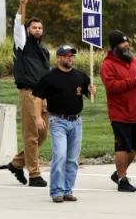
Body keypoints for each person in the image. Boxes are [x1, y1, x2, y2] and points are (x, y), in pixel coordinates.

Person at [36, 45, 96, 203]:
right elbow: (38, 98)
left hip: (76, 121)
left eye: (72, 55)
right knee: (60, 155)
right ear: (59, 58)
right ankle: (56, 190)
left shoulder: (81, 76)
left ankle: (68, 190)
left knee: (72, 159)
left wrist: (92, 91)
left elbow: (89, 96)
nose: (70, 58)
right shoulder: (49, 77)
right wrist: (38, 117)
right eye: (67, 55)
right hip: (58, 120)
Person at [7, 0, 50, 187]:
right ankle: (34, 174)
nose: (37, 30)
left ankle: (17, 163)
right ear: (27, 30)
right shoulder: (22, 45)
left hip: (44, 97)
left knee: (43, 135)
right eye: (34, 27)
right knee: (31, 135)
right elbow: (17, 29)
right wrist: (20, 9)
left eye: (40, 28)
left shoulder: (44, 51)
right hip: (29, 93)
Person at [100, 30, 136, 192]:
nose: (126, 45)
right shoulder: (107, 65)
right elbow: (111, 86)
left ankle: (118, 173)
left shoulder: (134, 61)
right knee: (122, 146)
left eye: (126, 42)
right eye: (123, 43)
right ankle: (122, 179)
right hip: (119, 112)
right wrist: (133, 80)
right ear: (115, 46)